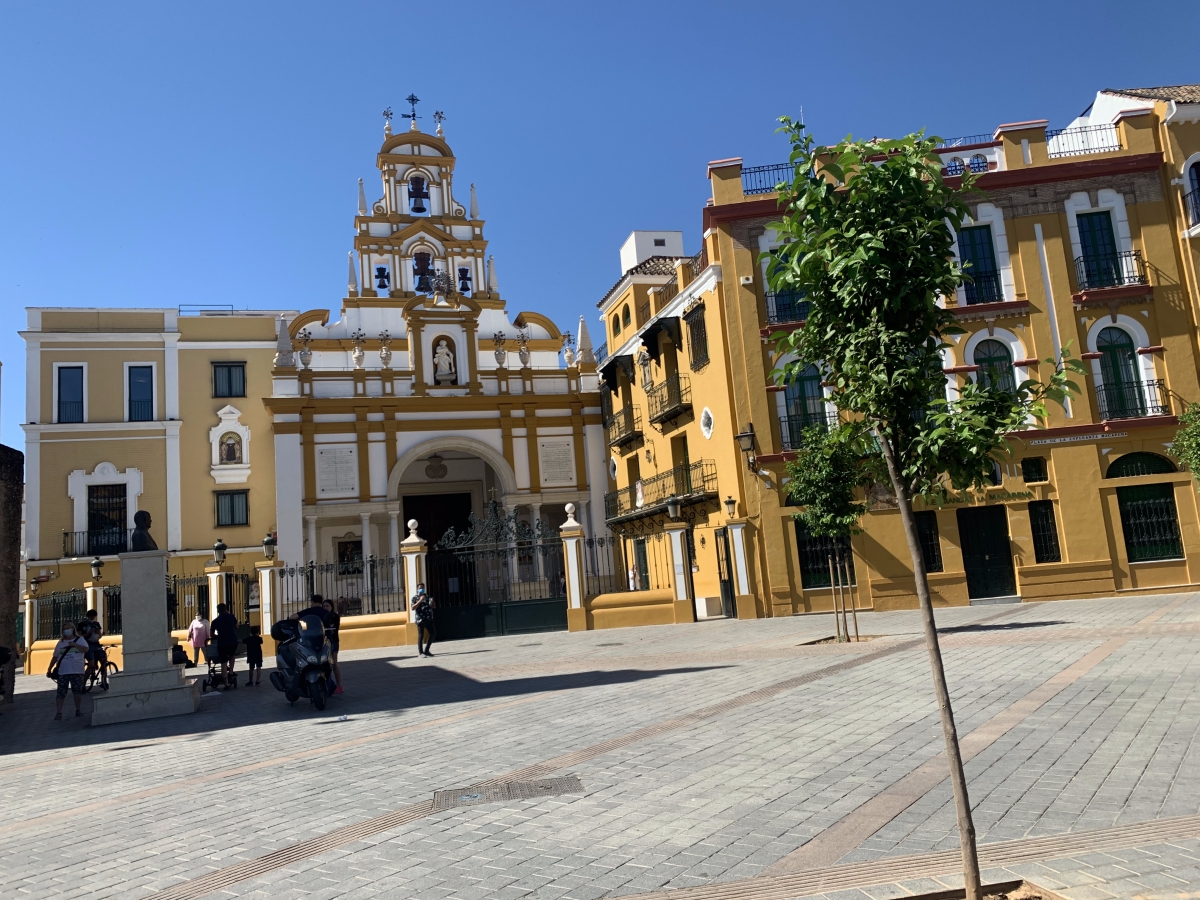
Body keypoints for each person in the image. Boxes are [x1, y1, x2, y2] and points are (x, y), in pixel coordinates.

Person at [48, 623, 89, 719]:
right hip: (63, 671)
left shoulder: (80, 640)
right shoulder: (60, 642)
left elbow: (86, 649)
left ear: (73, 629)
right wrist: (49, 668)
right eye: (64, 629)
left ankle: (78, 710)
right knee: (61, 692)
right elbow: (55, 657)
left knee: (77, 692)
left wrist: (75, 645)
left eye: (68, 628)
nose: (66, 630)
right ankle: (59, 712)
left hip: (76, 671)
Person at [210, 603, 240, 689]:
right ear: (225, 609)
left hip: (222, 643)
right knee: (232, 656)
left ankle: (226, 683)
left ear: (218, 611)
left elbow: (211, 635)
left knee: (223, 663)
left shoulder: (215, 621)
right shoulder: (231, 617)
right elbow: (237, 626)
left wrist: (218, 636)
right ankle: (230, 672)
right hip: (232, 641)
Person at [80, 609, 108, 690]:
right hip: (87, 645)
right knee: (91, 665)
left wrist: (99, 633)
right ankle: (83, 684)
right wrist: (89, 633)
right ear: (88, 616)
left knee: (103, 661)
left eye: (94, 616)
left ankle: (104, 681)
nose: (92, 617)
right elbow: (80, 636)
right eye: (91, 616)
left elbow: (99, 635)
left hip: (96, 645)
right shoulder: (82, 624)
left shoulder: (97, 624)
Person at [322, 598, 343, 694]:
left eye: (327, 606)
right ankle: (327, 685)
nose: (325, 608)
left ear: (331, 607)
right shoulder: (321, 616)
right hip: (324, 642)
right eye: (324, 606)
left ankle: (339, 686)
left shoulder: (335, 617)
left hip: (333, 642)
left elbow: (333, 629)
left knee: (334, 664)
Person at [411, 583, 435, 658]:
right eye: (420, 588)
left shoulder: (427, 596)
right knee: (421, 636)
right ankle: (420, 652)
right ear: (417, 589)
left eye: (423, 588)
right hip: (420, 619)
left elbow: (431, 606)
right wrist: (420, 600)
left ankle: (427, 650)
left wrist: (433, 604)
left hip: (428, 618)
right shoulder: (415, 598)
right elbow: (412, 608)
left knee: (433, 633)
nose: (422, 589)